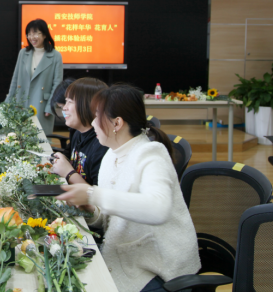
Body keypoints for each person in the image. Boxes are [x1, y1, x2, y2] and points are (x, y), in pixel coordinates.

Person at [58, 84, 201, 292]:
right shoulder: (111, 154)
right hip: (125, 256)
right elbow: (110, 217)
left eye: (97, 116)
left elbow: (158, 209)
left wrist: (92, 194)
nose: (93, 123)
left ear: (117, 123)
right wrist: (89, 208)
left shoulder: (151, 154)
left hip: (159, 270)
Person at [6, 19, 64, 134]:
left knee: (39, 139)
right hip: (21, 103)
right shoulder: (23, 53)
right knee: (18, 138)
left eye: (36, 33)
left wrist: (50, 107)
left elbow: (57, 84)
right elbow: (15, 79)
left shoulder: (55, 55)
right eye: (29, 34)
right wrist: (8, 102)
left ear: (45, 35)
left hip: (42, 106)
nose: (32, 37)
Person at [51, 77, 108, 186]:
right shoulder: (77, 132)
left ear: (88, 105)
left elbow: (97, 195)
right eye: (65, 102)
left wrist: (68, 173)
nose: (64, 108)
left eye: (70, 102)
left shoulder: (102, 144)